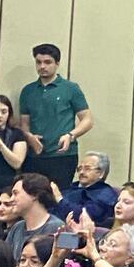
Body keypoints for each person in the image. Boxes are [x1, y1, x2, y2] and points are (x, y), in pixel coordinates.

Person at [18, 42, 93, 192]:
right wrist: (29, 136)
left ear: (57, 63)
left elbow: (87, 120)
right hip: (35, 156)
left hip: (62, 156)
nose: (42, 66)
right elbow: (24, 122)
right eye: (38, 62)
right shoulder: (28, 91)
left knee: (58, 197)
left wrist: (70, 135)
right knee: (32, 197)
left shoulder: (70, 88)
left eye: (47, 62)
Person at [0, 171, 63, 258]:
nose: (11, 199)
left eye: (15, 193)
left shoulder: (58, 227)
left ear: (34, 195)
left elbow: (67, 258)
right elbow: (4, 261)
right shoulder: (16, 228)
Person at [54, 152, 117, 228]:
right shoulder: (71, 187)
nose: (81, 172)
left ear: (101, 173)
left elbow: (82, 216)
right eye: (79, 169)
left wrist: (59, 199)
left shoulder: (106, 194)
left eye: (87, 169)